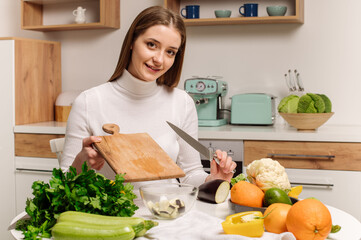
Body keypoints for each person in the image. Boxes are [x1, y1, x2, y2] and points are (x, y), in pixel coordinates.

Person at [61, 6, 237, 191]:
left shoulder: (182, 102)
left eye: (170, 52)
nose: (159, 60)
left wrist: (214, 179)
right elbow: (63, 184)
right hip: (113, 217)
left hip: (169, 211)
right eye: (151, 45)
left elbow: (191, 174)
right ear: (132, 42)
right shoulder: (89, 102)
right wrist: (81, 162)